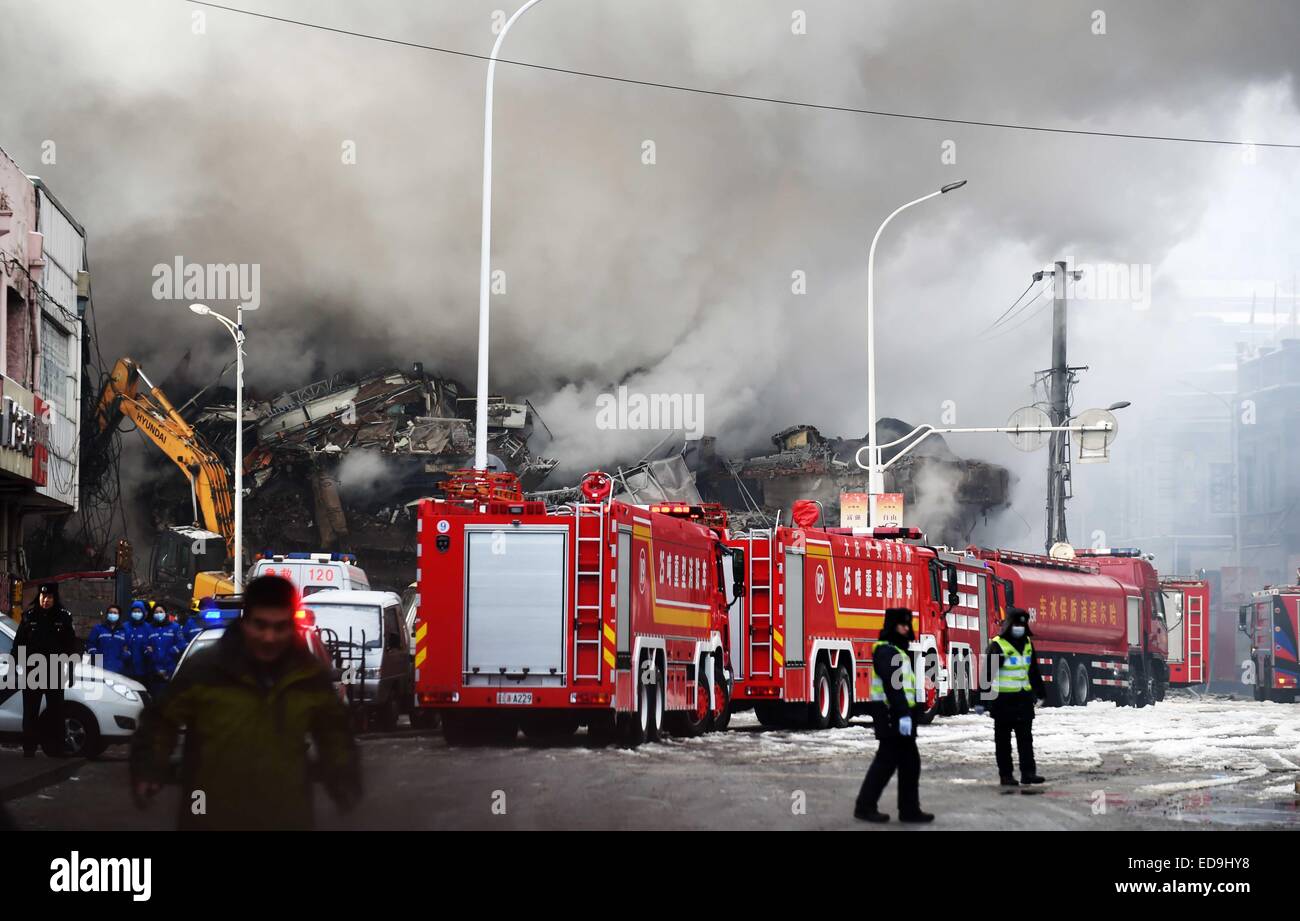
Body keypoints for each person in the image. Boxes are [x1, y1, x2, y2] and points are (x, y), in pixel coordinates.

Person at [130, 574, 360, 830]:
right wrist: (149, 766)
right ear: (245, 623)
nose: (269, 637)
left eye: (279, 627)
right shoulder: (206, 670)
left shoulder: (308, 676)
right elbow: (162, 720)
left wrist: (343, 773)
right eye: (260, 625)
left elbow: (334, 731)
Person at [855, 607, 934, 823]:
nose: (906, 629)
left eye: (908, 625)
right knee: (886, 762)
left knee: (909, 763)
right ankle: (865, 806)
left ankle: (908, 809)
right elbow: (894, 687)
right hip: (892, 716)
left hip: (898, 715)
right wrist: (903, 715)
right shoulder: (886, 651)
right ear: (892, 626)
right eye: (902, 625)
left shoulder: (896, 651)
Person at [12, 582, 77, 758]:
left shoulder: (63, 618)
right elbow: (18, 645)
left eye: (49, 597)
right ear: (38, 596)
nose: (45, 600)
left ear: (54, 598)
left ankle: (56, 747)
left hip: (54, 671)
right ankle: (29, 748)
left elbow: (71, 645)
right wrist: (15, 667)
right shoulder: (29, 617)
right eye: (42, 596)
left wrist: (69, 667)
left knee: (56, 711)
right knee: (30, 711)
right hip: (33, 671)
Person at [985, 607, 1046, 786]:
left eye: (1023, 624)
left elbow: (1033, 671)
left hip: (1023, 700)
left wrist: (1041, 692)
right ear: (1010, 625)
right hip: (1002, 702)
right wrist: (982, 701)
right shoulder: (998, 645)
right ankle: (1006, 775)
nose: (1020, 627)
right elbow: (987, 675)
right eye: (1017, 624)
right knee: (1003, 742)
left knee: (1026, 740)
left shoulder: (1027, 643)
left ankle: (1028, 773)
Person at [143, 602, 183, 696]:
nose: (158, 614)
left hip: (170, 668)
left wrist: (171, 651)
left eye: (161, 611)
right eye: (156, 612)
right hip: (153, 670)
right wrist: (148, 652)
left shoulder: (174, 627)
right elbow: (145, 645)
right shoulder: (149, 628)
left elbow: (182, 643)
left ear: (165, 613)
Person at [85, 604, 133, 676]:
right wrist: (95, 654)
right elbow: (90, 644)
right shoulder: (98, 628)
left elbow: (129, 647)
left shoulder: (125, 631)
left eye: (115, 613)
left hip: (117, 668)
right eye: (110, 612)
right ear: (107, 614)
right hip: (99, 667)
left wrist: (124, 655)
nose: (112, 614)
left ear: (119, 615)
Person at [124, 600, 152, 684]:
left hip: (143, 670)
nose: (136, 613)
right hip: (126, 669)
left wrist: (149, 651)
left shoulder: (148, 627)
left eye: (139, 611)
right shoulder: (125, 626)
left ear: (143, 613)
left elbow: (152, 644)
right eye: (134, 611)